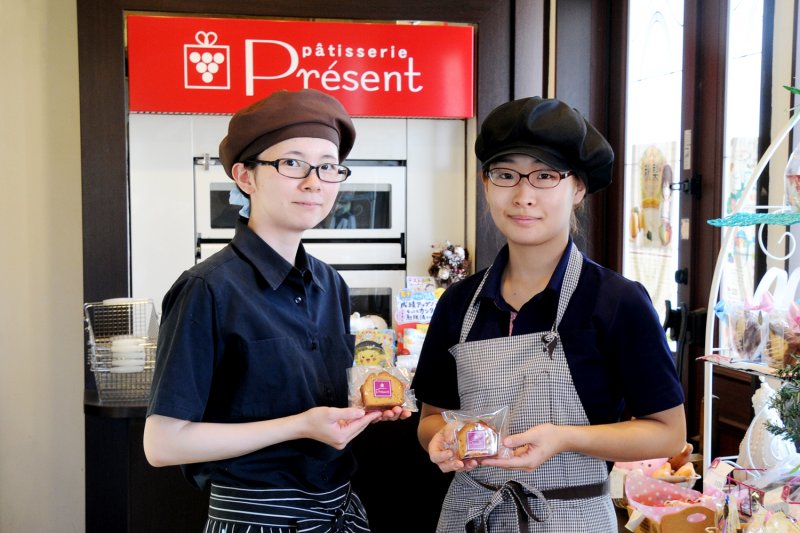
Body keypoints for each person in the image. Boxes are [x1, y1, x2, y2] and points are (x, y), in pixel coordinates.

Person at [412, 96, 686, 532]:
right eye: (505, 175)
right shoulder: (458, 303)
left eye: (545, 176)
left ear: (577, 189)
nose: (523, 196)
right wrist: (441, 438)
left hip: (573, 517)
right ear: (486, 185)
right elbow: (431, 418)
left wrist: (564, 438)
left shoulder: (617, 301)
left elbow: (668, 433)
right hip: (470, 514)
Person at [143, 88, 409, 532]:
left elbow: (315, 402)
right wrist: (300, 426)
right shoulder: (208, 289)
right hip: (256, 520)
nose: (314, 182)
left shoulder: (330, 284)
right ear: (245, 177)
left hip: (338, 512)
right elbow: (163, 445)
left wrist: (367, 406)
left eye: (328, 166)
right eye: (292, 163)